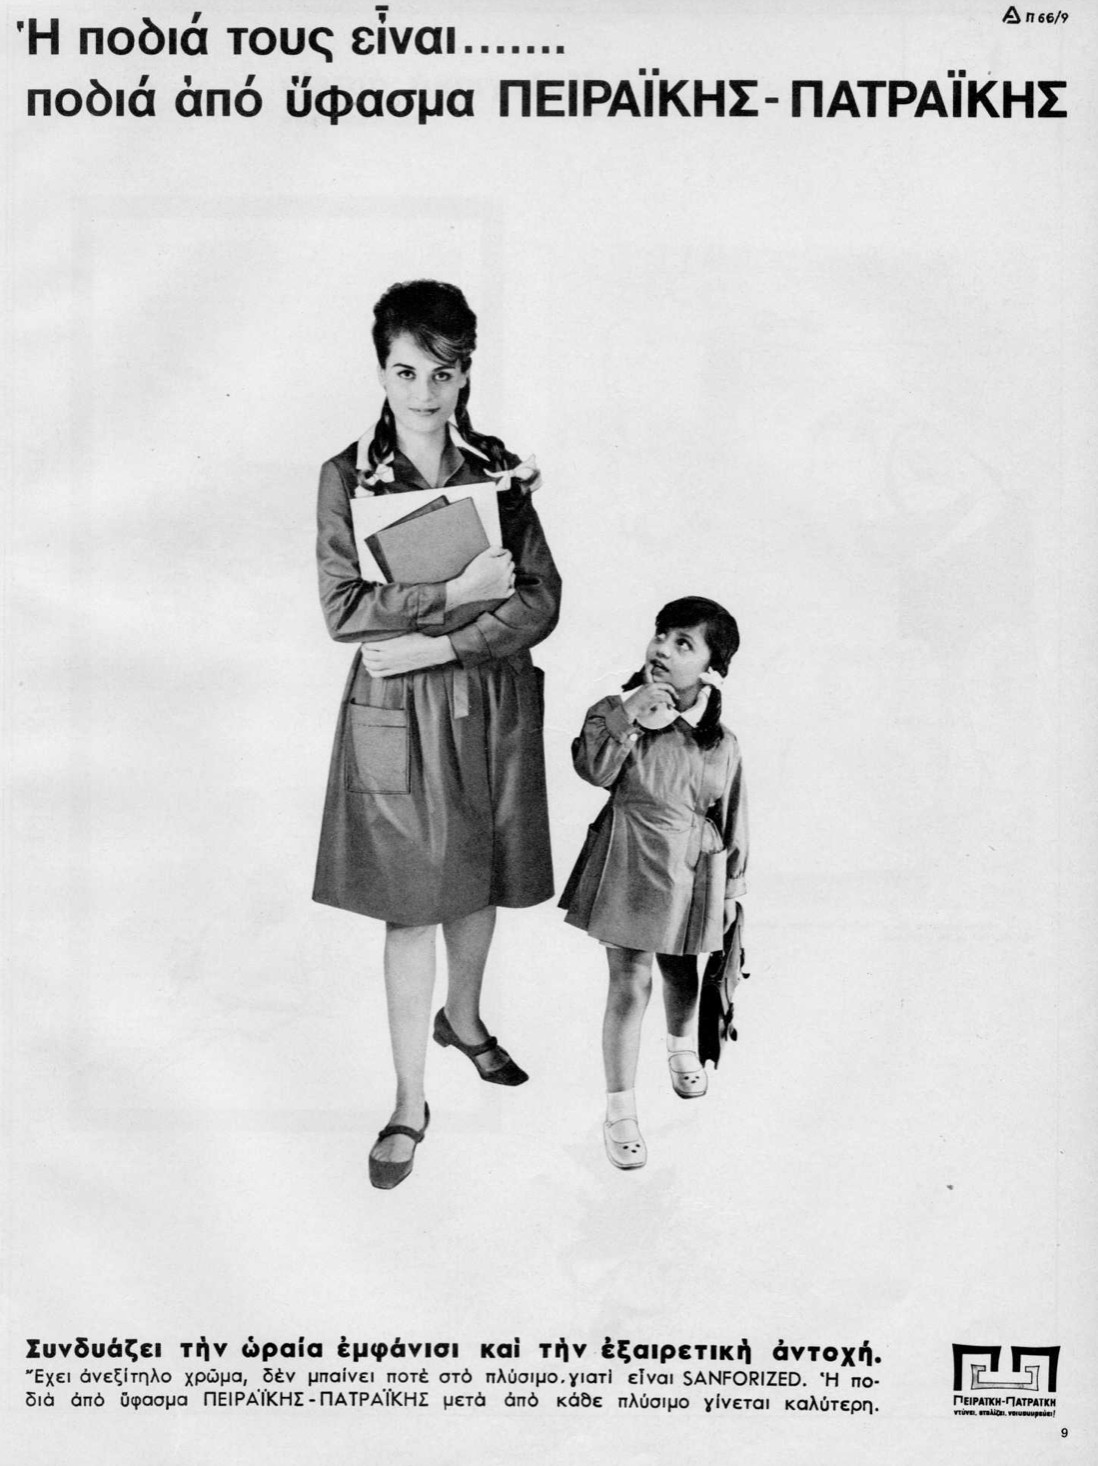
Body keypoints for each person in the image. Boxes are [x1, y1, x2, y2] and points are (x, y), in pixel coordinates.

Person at [313, 279, 561, 1189]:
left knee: (478, 872)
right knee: (412, 899)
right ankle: (409, 1101)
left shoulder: (499, 470)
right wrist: (454, 594)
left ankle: (465, 1018)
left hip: (485, 697)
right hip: (397, 709)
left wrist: (440, 642)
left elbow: (542, 600)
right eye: (406, 371)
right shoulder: (346, 477)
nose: (425, 391)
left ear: (466, 375)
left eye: (444, 373)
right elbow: (343, 610)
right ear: (382, 372)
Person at [559, 597, 747, 1170]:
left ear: (712, 668)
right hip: (629, 857)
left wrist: (732, 889)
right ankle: (620, 1109)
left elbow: (732, 815)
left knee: (681, 966)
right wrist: (629, 714)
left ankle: (682, 1047)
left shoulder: (722, 742)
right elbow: (592, 768)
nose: (663, 648)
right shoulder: (616, 714)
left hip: (692, 869)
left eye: (683, 643)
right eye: (661, 634)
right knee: (629, 981)